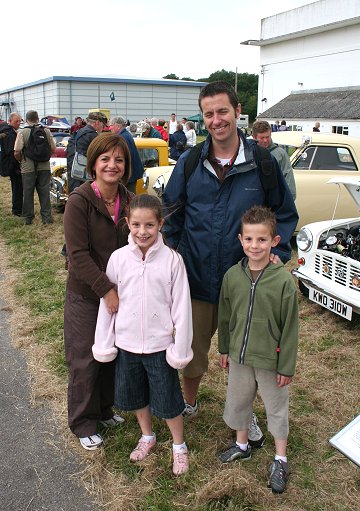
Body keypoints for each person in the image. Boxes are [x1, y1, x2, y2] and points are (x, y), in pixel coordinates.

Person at [162, 81, 298, 447]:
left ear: (238, 111)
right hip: (196, 277)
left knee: (247, 356)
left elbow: (283, 216)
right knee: (191, 351)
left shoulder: (263, 163)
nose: (216, 120)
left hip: (246, 284)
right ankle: (188, 402)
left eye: (223, 111)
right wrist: (173, 256)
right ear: (202, 118)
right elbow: (170, 213)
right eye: (209, 114)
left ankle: (245, 412)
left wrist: (277, 254)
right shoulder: (191, 161)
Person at [92, 194, 193, 475]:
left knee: (169, 398)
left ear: (160, 224)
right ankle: (147, 435)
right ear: (127, 224)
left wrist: (179, 348)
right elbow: (108, 305)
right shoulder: (118, 259)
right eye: (136, 225)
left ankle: (178, 445)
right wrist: (105, 341)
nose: (142, 232)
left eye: (149, 225)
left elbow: (182, 308)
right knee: (136, 395)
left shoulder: (173, 261)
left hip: (160, 346)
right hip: (127, 345)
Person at [217, 205, 298, 494]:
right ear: (240, 240)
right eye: (249, 239)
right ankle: (242, 444)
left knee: (276, 407)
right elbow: (225, 317)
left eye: (262, 240)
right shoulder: (232, 277)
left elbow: (290, 328)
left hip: (270, 359)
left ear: (274, 242)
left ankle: (280, 458)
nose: (255, 246)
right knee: (238, 400)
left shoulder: (283, 282)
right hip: (239, 354)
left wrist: (286, 365)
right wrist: (224, 348)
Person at [63, 133, 133, 451]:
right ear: (93, 164)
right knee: (85, 358)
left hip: (118, 295)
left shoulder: (129, 201)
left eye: (118, 159)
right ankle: (82, 422)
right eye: (105, 159)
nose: (112, 165)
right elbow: (77, 256)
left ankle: (104, 409)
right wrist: (105, 290)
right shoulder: (79, 201)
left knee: (110, 354)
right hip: (87, 294)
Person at [14, 110, 55, 225]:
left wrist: (22, 161)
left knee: (27, 192)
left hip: (28, 167)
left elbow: (17, 152)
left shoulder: (22, 132)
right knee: (44, 192)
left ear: (26, 119)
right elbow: (53, 148)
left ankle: (28, 218)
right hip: (44, 166)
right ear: (38, 119)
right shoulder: (46, 131)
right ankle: (47, 218)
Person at [252, 120, 296, 200]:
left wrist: (289, 201)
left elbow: (288, 179)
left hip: (274, 202)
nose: (265, 140)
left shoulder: (280, 154)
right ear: (254, 137)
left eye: (267, 137)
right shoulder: (248, 153)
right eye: (262, 138)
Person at [67, 111, 107, 193]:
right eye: (103, 126)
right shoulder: (93, 136)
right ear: (97, 123)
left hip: (74, 174)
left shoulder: (78, 132)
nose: (103, 129)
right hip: (85, 179)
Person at [110, 116, 144, 193]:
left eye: (111, 125)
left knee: (127, 197)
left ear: (118, 126)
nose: (110, 128)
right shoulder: (125, 135)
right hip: (130, 174)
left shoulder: (122, 138)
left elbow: (124, 158)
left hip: (128, 175)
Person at [0, 112, 23, 216]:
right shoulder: (10, 134)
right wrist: (18, 166)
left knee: (16, 188)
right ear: (10, 121)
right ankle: (17, 211)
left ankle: (17, 209)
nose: (18, 123)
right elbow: (12, 152)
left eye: (19, 121)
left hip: (9, 164)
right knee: (17, 188)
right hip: (13, 166)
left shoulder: (8, 132)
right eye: (16, 121)